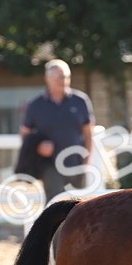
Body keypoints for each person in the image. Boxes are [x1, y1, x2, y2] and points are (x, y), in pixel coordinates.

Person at [19, 60, 94, 201]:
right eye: (58, 77)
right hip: (49, 166)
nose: (62, 80)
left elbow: (88, 134)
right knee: (55, 207)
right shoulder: (36, 105)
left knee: (77, 210)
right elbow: (24, 134)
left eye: (65, 76)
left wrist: (86, 164)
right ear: (47, 79)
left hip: (76, 164)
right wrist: (38, 147)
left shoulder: (80, 101)